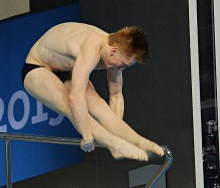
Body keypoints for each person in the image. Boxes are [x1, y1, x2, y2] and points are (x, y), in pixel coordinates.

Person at [22, 22, 164, 162]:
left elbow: (116, 96)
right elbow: (75, 98)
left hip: (66, 69)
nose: (121, 69)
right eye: (123, 65)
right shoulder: (92, 48)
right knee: (70, 107)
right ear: (114, 51)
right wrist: (87, 136)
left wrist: (117, 133)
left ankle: (139, 141)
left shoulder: (114, 45)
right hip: (37, 68)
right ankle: (115, 145)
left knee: (98, 105)